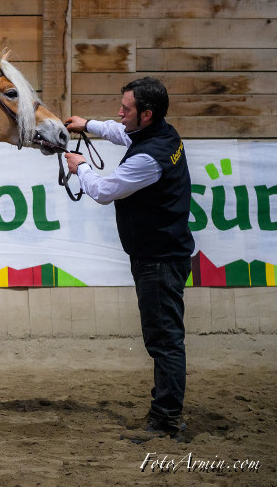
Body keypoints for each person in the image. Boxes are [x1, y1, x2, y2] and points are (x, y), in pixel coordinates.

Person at [63, 77, 195, 441]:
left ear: (146, 114)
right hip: (164, 253)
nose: (119, 114)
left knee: (164, 341)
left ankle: (166, 419)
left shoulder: (149, 160)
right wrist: (87, 124)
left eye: (126, 109)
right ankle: (165, 411)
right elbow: (121, 134)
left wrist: (80, 166)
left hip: (158, 259)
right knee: (163, 338)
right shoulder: (162, 135)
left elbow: (105, 191)